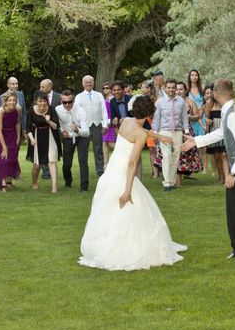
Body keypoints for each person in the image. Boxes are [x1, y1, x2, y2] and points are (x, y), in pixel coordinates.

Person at [79, 96, 186, 271]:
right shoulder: (141, 133)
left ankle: (103, 246)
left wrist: (160, 137)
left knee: (107, 212)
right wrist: (127, 191)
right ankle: (124, 250)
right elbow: (132, 163)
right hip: (123, 175)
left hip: (110, 174)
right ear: (150, 114)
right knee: (129, 210)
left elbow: (142, 131)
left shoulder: (126, 121)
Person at [181, 79, 235, 265]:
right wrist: (197, 141)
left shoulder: (233, 114)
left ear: (216, 94)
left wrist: (233, 174)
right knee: (233, 210)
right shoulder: (229, 111)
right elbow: (222, 133)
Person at [152, 78, 189, 191]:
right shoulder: (160, 102)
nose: (171, 89)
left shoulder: (181, 101)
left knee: (175, 157)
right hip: (164, 132)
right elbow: (156, 119)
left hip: (177, 132)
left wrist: (186, 132)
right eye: (169, 87)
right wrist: (155, 134)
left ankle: (172, 182)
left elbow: (184, 117)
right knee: (167, 156)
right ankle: (167, 183)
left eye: (173, 87)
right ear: (165, 88)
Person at [26, 90, 62, 193]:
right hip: (37, 136)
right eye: (40, 101)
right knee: (37, 165)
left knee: (52, 161)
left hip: (51, 135)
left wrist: (49, 121)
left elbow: (56, 126)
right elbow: (28, 128)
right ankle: (34, 182)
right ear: (36, 101)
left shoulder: (51, 109)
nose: (42, 103)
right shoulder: (31, 110)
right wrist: (32, 139)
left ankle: (54, 187)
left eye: (44, 101)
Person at [56, 89, 90, 191]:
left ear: (74, 101)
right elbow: (58, 123)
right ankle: (68, 182)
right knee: (66, 164)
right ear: (61, 101)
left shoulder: (81, 111)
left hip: (81, 137)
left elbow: (87, 132)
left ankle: (84, 187)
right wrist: (62, 131)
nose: (67, 104)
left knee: (82, 160)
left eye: (69, 102)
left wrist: (77, 130)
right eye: (64, 102)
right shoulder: (57, 109)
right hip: (68, 138)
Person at [75, 75, 108, 177]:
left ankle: (100, 172)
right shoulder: (78, 97)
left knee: (98, 149)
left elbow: (104, 111)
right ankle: (84, 173)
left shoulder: (99, 95)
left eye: (90, 82)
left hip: (97, 125)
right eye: (86, 82)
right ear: (82, 84)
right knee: (83, 150)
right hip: (84, 126)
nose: (88, 84)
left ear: (93, 83)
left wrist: (105, 124)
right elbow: (76, 112)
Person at [174, 81, 202, 184]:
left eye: (181, 89)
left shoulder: (190, 101)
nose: (178, 91)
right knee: (176, 153)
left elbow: (198, 116)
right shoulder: (172, 101)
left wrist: (190, 117)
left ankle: (186, 173)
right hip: (175, 130)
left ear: (185, 90)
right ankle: (177, 181)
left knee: (186, 153)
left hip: (187, 130)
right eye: (176, 89)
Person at [0, 91, 22, 192]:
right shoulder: (1, 111)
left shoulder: (18, 109)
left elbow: (18, 123)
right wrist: (4, 147)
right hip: (1, 135)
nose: (12, 102)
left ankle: (9, 182)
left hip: (13, 135)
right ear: (5, 101)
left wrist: (18, 137)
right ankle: (3, 184)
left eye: (14, 100)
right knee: (3, 159)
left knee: (11, 158)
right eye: (10, 100)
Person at [204, 84, 229, 184]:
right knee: (217, 156)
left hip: (224, 131)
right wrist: (208, 121)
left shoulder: (225, 103)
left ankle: (228, 176)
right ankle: (221, 178)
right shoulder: (209, 104)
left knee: (225, 155)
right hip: (214, 130)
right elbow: (207, 117)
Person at [187, 69, 208, 173]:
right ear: (189, 77)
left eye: (196, 75)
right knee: (193, 143)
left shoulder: (201, 89)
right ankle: (197, 166)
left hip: (201, 118)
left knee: (202, 144)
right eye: (192, 75)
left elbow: (204, 104)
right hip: (191, 119)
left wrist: (203, 115)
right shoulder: (187, 90)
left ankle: (205, 167)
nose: (194, 77)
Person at [101, 82, 116, 168]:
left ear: (110, 89)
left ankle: (120, 155)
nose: (105, 89)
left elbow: (113, 111)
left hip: (110, 123)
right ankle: (106, 163)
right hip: (105, 122)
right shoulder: (106, 98)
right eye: (104, 88)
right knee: (104, 143)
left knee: (111, 143)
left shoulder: (111, 98)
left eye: (107, 88)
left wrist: (109, 122)